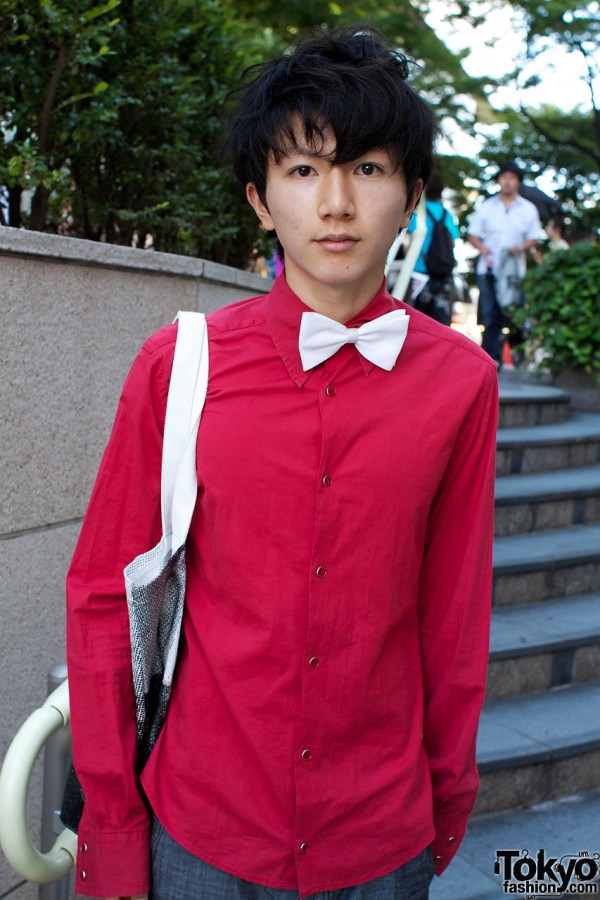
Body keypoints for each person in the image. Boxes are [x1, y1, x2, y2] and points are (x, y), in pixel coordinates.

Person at [66, 26, 498, 900]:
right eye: (302, 170)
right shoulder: (178, 365)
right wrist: (112, 824)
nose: (335, 202)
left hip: (380, 837)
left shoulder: (463, 383)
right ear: (261, 200)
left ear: (413, 195)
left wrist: (447, 793)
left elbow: (454, 620)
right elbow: (105, 598)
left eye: (368, 168)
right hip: (201, 828)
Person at [467, 161, 542, 368]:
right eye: (504, 177)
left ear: (518, 182)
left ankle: (518, 355)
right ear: (499, 180)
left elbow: (534, 237)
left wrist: (519, 247)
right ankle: (491, 359)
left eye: (512, 177)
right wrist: (483, 248)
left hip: (514, 273)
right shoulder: (487, 206)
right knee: (490, 315)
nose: (507, 181)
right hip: (489, 269)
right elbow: (472, 234)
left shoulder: (528, 209)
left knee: (515, 314)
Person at [404, 172, 460, 325]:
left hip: (419, 272)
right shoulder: (446, 214)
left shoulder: (417, 213)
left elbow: (408, 241)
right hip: (441, 276)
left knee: (413, 321)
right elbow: (453, 241)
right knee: (438, 323)